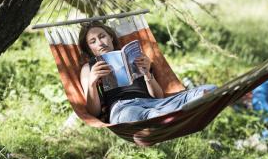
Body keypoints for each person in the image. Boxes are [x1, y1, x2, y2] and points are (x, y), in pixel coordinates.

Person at [79, 21, 217, 124]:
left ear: (111, 37)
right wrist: (92, 83)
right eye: (93, 41)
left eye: (102, 36)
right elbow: (93, 112)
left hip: (153, 104)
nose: (100, 43)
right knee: (138, 114)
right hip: (124, 109)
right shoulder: (88, 68)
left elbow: (158, 96)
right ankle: (170, 115)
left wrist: (147, 74)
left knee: (210, 89)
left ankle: (165, 115)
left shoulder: (134, 56)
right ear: (89, 48)